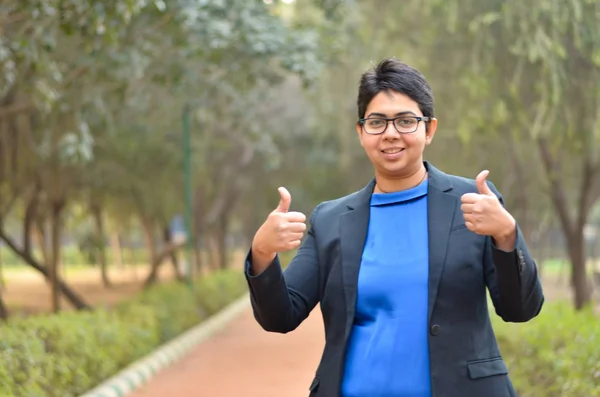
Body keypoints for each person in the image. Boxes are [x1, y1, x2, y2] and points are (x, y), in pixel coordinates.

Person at [244, 58, 544, 397]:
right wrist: (263, 253)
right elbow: (281, 317)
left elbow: (521, 309)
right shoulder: (330, 220)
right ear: (361, 132)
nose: (390, 133)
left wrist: (507, 236)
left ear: (429, 129)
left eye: (405, 121)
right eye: (377, 122)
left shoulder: (474, 204)